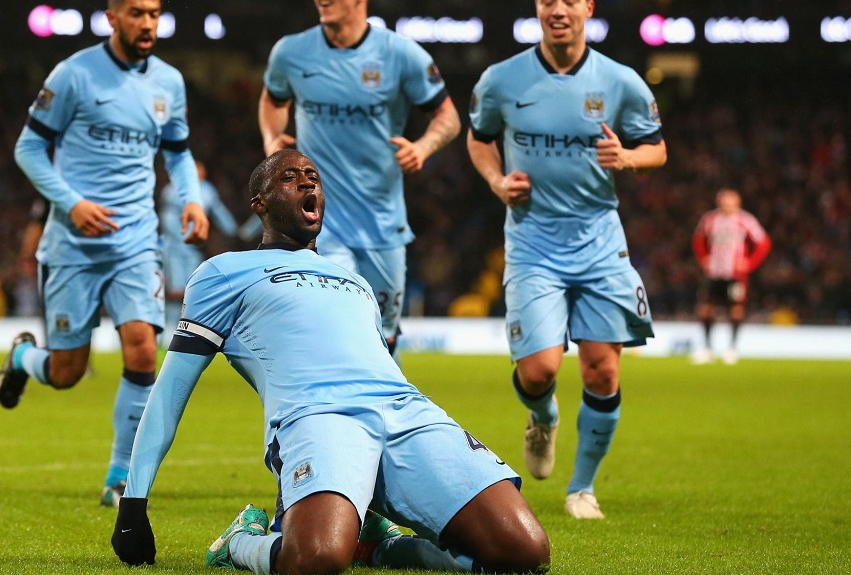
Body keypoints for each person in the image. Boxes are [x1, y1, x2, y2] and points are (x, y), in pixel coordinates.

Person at [111, 150, 550, 574]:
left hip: (406, 411)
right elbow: (170, 393)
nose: (307, 180)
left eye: (313, 177)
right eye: (289, 176)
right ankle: (241, 541)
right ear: (259, 204)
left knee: (524, 551)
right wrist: (133, 503)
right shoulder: (221, 273)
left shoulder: (355, 281)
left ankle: (379, 547)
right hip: (318, 417)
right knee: (316, 559)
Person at [0, 0, 209, 508]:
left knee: (142, 348)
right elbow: (28, 147)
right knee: (68, 373)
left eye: (155, 13)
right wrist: (72, 204)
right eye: (136, 13)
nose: (148, 23)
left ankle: (118, 479)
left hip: (136, 240)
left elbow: (177, 152)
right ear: (112, 17)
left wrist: (192, 199)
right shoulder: (73, 74)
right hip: (73, 245)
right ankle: (24, 358)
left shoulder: (169, 83)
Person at [466, 0, 668, 519]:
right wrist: (495, 180)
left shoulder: (620, 81)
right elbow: (479, 137)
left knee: (602, 371)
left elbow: (657, 149)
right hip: (533, 243)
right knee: (538, 371)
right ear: (538, 8)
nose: (559, 9)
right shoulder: (502, 79)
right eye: (548, 0)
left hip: (600, 243)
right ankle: (543, 417)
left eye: (570, 0)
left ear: (587, 8)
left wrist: (626, 157)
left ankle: (581, 489)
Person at [258, 0, 462, 361]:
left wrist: (423, 147)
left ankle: (385, 414)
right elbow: (273, 101)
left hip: (382, 221)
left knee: (383, 335)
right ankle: (331, 414)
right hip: (321, 221)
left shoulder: (400, 54)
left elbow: (448, 117)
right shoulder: (292, 52)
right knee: (336, 323)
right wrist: (272, 139)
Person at [159, 160, 261, 345]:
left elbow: (218, 211)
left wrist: (234, 231)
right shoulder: (173, 189)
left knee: (190, 290)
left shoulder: (206, 190)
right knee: (175, 290)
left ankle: (187, 329)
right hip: (174, 247)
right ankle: (168, 330)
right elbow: (167, 217)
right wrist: (179, 239)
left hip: (193, 248)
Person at [690, 188, 772, 365]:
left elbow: (763, 243)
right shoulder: (710, 219)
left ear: (738, 203)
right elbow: (698, 239)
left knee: (735, 309)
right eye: (724, 202)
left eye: (730, 202)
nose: (726, 206)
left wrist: (749, 263)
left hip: (735, 274)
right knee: (706, 308)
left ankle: (732, 348)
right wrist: (704, 258)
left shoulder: (746, 220)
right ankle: (707, 348)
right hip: (713, 272)